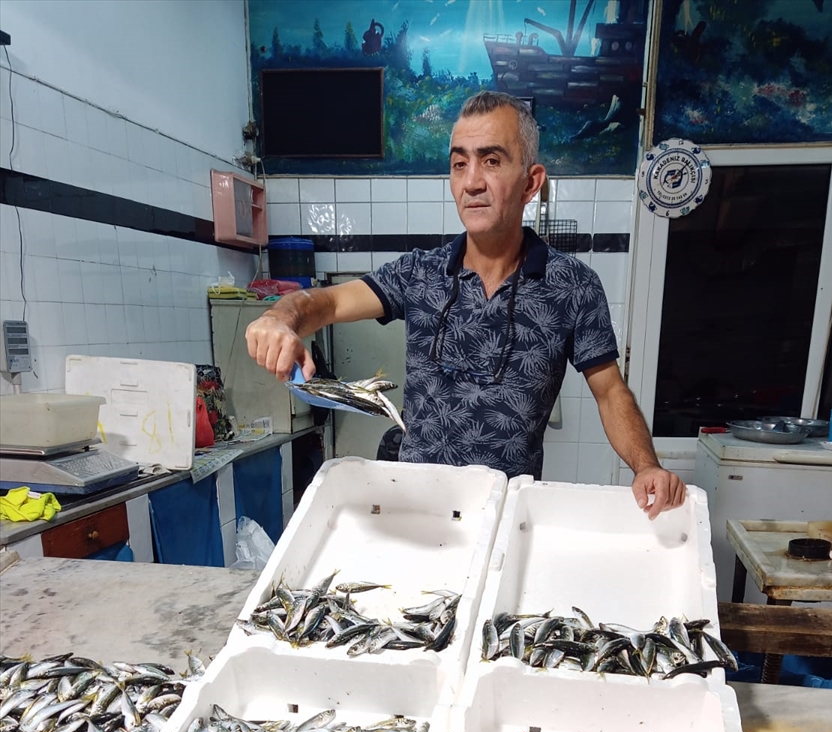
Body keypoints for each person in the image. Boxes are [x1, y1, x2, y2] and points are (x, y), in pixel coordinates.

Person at [246, 91, 685, 518]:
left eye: (491, 161)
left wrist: (646, 465)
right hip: (413, 511)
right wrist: (279, 318)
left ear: (530, 182)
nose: (472, 181)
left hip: (506, 518)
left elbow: (609, 390)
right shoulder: (419, 274)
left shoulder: (572, 286)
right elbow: (325, 303)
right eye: (460, 164)